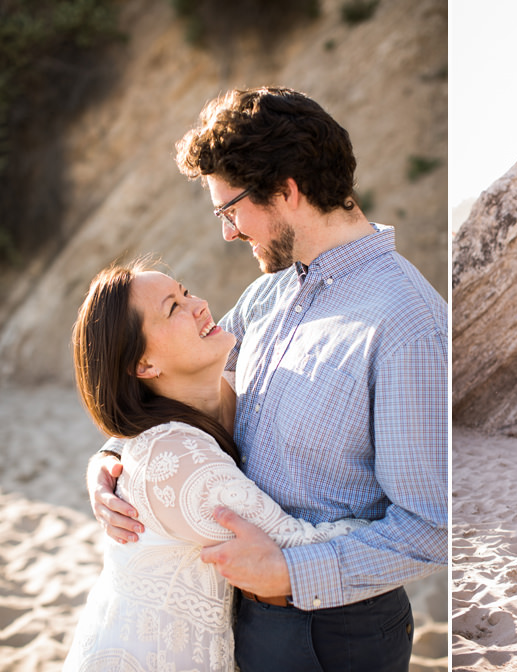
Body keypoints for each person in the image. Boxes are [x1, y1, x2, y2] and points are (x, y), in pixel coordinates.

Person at [86, 87, 448, 671]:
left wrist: (290, 571)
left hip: (334, 633)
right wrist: (111, 460)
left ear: (286, 190)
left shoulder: (408, 323)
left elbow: (433, 525)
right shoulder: (268, 295)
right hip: (243, 618)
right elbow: (174, 380)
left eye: (229, 210)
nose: (228, 233)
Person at [66, 262, 366, 671]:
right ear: (145, 365)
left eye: (186, 291)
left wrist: (106, 455)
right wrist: (400, 521)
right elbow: (295, 547)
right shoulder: (178, 460)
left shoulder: (239, 393)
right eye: (174, 307)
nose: (201, 305)